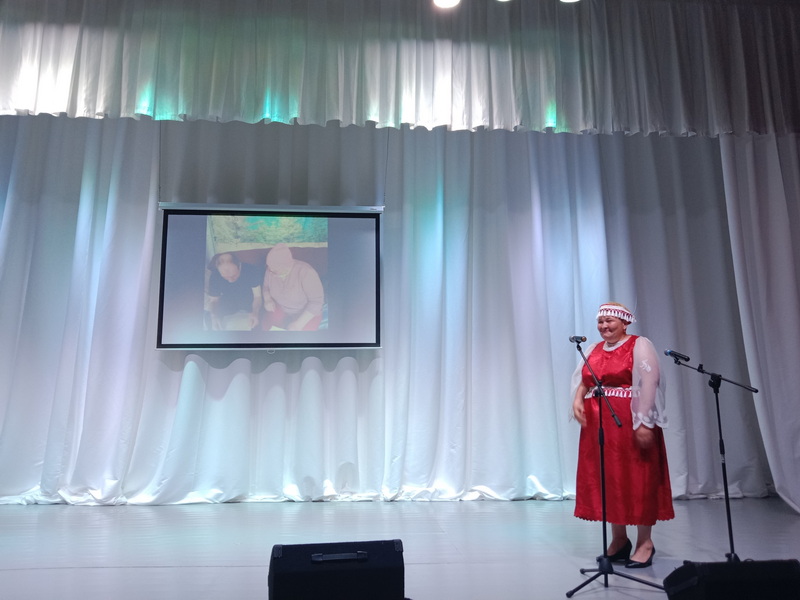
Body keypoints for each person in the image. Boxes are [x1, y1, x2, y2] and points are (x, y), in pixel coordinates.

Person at [571, 302, 673, 568]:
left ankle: (645, 542)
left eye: (610, 321)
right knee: (610, 479)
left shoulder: (639, 345)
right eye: (601, 321)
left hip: (628, 420)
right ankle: (619, 540)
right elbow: (586, 379)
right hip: (599, 425)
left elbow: (650, 381)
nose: (604, 326)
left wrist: (644, 421)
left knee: (638, 477)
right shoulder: (593, 349)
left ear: (625, 322)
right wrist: (578, 399)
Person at [262, 243, 324, 331]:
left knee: (303, 336)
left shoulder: (306, 272)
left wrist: (298, 324)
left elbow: (317, 302)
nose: (271, 272)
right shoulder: (270, 270)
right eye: (270, 268)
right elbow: (265, 287)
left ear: (286, 266)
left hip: (305, 311)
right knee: (268, 328)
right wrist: (267, 299)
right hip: (281, 307)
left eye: (275, 269)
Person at [207, 252, 263, 331]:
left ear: (239, 266)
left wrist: (255, 312)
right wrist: (214, 316)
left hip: (249, 305)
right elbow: (214, 301)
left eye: (233, 276)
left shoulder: (252, 270)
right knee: (210, 321)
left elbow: (257, 297)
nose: (230, 280)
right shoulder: (215, 275)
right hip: (228, 306)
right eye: (225, 277)